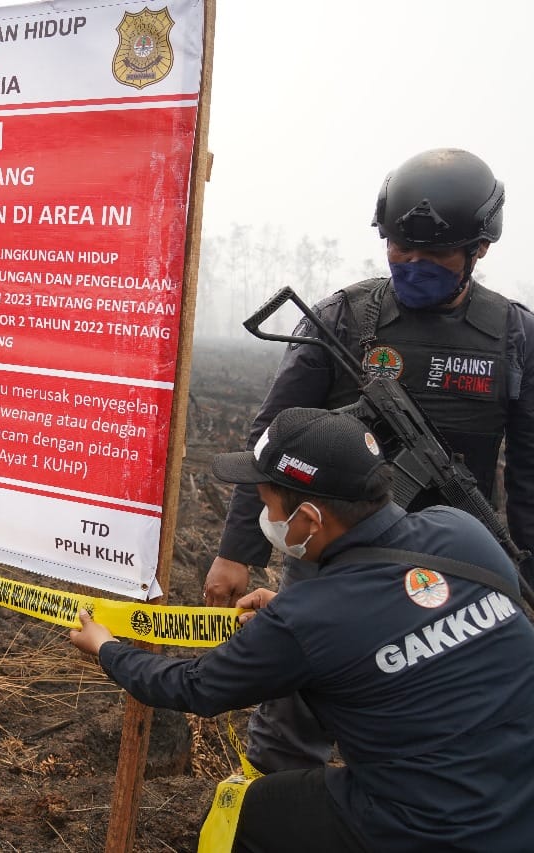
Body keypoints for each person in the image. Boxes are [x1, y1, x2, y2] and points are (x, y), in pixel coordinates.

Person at [202, 147, 534, 774]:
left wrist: (522, 572)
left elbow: (530, 472)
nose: (413, 263)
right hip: (330, 560)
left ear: (479, 250)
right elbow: (269, 439)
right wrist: (237, 551)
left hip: (451, 574)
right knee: (288, 734)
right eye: (400, 249)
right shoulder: (346, 319)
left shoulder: (515, 336)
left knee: (428, 732)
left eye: (434, 254)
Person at [73, 406, 534, 852]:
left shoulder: (308, 618)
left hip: (434, 828)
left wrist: (107, 648)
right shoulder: (462, 531)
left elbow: (193, 688)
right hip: (522, 795)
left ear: (310, 519)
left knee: (252, 814)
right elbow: (404, 618)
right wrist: (298, 626)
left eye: (268, 503)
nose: (265, 515)